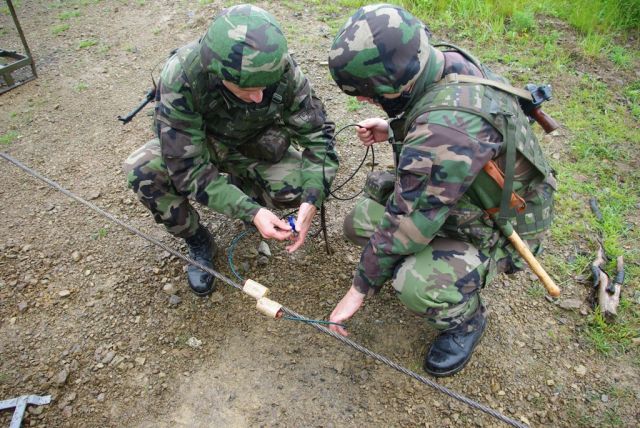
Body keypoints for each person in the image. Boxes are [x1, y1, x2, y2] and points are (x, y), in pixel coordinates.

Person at [327, 4, 555, 377]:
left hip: (503, 224)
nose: (362, 100)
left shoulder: (444, 130)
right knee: (360, 222)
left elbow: (410, 223)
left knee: (414, 283)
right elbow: (438, 119)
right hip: (467, 196)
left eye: (368, 92)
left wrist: (359, 288)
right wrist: (393, 126)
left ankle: (466, 320)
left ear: (397, 81)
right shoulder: (443, 62)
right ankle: (433, 266)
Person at [124, 4, 338, 297]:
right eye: (246, 89)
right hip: (202, 148)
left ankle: (244, 189)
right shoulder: (182, 77)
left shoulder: (280, 68)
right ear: (217, 75)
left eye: (264, 86)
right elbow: (187, 169)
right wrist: (251, 212)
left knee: (299, 186)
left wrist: (313, 198)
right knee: (143, 170)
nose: (258, 96)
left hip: (254, 145)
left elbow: (318, 135)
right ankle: (198, 240)